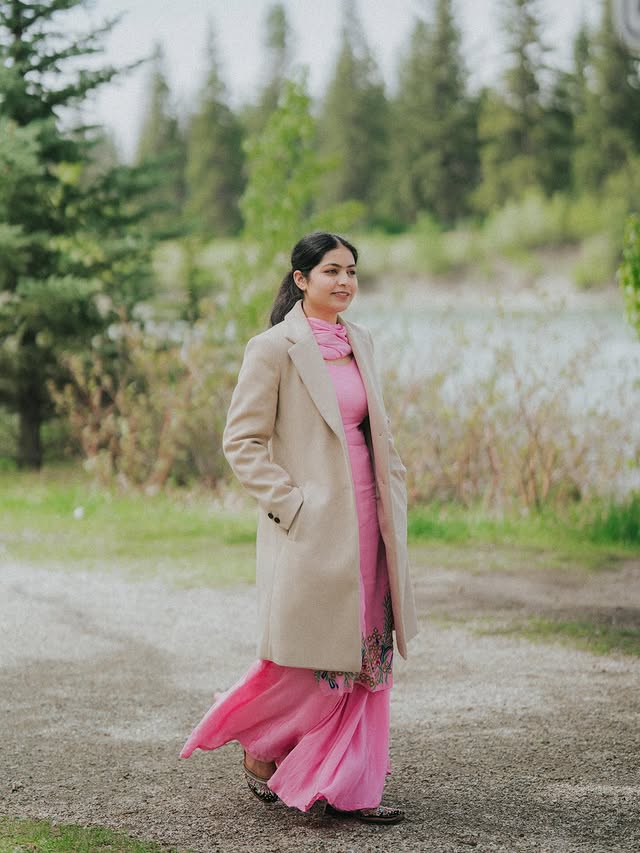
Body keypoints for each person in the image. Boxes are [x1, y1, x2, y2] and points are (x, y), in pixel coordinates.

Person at [180, 231, 417, 824]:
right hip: (314, 527)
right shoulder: (274, 348)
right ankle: (262, 745)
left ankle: (346, 786)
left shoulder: (361, 342)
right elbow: (242, 441)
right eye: (332, 271)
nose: (345, 282)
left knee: (367, 650)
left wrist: (398, 486)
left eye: (352, 272)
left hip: (373, 521)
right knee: (309, 657)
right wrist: (293, 506)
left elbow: (374, 431)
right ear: (302, 279)